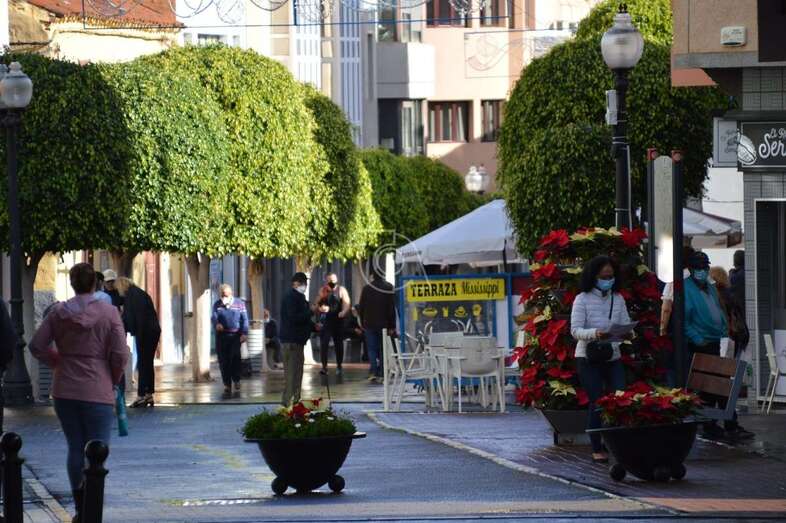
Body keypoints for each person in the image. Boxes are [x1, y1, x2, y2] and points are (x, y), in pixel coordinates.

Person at [29, 263, 128, 523]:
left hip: (65, 388)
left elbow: (37, 344)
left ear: (72, 284)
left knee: (75, 447)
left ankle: (81, 507)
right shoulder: (108, 313)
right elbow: (120, 353)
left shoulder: (58, 313)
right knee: (98, 450)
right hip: (98, 386)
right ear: (94, 283)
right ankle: (93, 509)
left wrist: (58, 361)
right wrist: (114, 378)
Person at [570, 255, 630, 464]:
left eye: (611, 276)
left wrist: (627, 334)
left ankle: (616, 442)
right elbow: (575, 330)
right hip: (588, 356)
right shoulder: (582, 299)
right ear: (594, 276)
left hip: (612, 354)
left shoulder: (618, 298)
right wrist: (595, 333)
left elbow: (624, 323)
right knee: (597, 401)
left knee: (619, 397)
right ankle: (597, 446)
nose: (608, 279)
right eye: (604, 276)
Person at [684, 252, 739, 439]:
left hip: (715, 340)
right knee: (709, 385)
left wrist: (724, 328)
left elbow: (718, 308)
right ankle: (716, 424)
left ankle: (718, 423)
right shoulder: (685, 288)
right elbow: (684, 321)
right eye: (699, 268)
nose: (703, 271)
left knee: (716, 384)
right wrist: (698, 339)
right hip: (701, 343)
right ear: (691, 270)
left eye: (705, 267)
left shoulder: (710, 286)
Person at [116, 277, 161, 408]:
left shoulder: (131, 296)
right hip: (152, 330)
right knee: (147, 363)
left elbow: (132, 317)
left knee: (143, 363)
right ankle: (148, 394)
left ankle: (141, 395)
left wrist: (128, 330)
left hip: (145, 332)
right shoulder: (138, 293)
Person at [280, 272, 317, 406]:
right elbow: (294, 318)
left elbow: (304, 319)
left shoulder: (299, 298)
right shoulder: (291, 297)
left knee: (296, 375)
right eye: (302, 283)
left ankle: (295, 403)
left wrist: (314, 327)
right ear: (295, 284)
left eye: (305, 283)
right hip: (292, 341)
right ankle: (288, 405)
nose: (304, 286)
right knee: (292, 376)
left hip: (297, 342)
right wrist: (311, 311)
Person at [358, 269, 397, 383]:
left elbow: (361, 307)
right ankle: (382, 373)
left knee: (371, 349)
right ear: (383, 275)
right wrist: (392, 325)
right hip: (384, 323)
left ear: (373, 276)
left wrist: (362, 322)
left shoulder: (366, 288)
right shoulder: (389, 287)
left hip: (369, 323)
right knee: (383, 348)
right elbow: (391, 308)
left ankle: (373, 371)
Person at [212, 284, 249, 398]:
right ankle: (227, 384)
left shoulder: (239, 303)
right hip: (221, 337)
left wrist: (244, 333)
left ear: (231, 293)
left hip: (235, 336)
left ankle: (236, 379)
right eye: (223, 294)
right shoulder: (217, 304)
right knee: (224, 361)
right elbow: (214, 317)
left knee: (235, 358)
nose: (225, 296)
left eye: (227, 294)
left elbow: (245, 319)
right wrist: (216, 324)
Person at [317, 273, 351, 376]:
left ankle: (339, 365)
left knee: (338, 344)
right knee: (324, 343)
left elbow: (347, 303)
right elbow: (317, 303)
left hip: (338, 321)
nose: (331, 283)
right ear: (326, 281)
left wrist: (343, 312)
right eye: (329, 281)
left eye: (333, 281)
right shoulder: (323, 290)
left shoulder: (341, 290)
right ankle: (324, 366)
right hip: (327, 321)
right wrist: (321, 308)